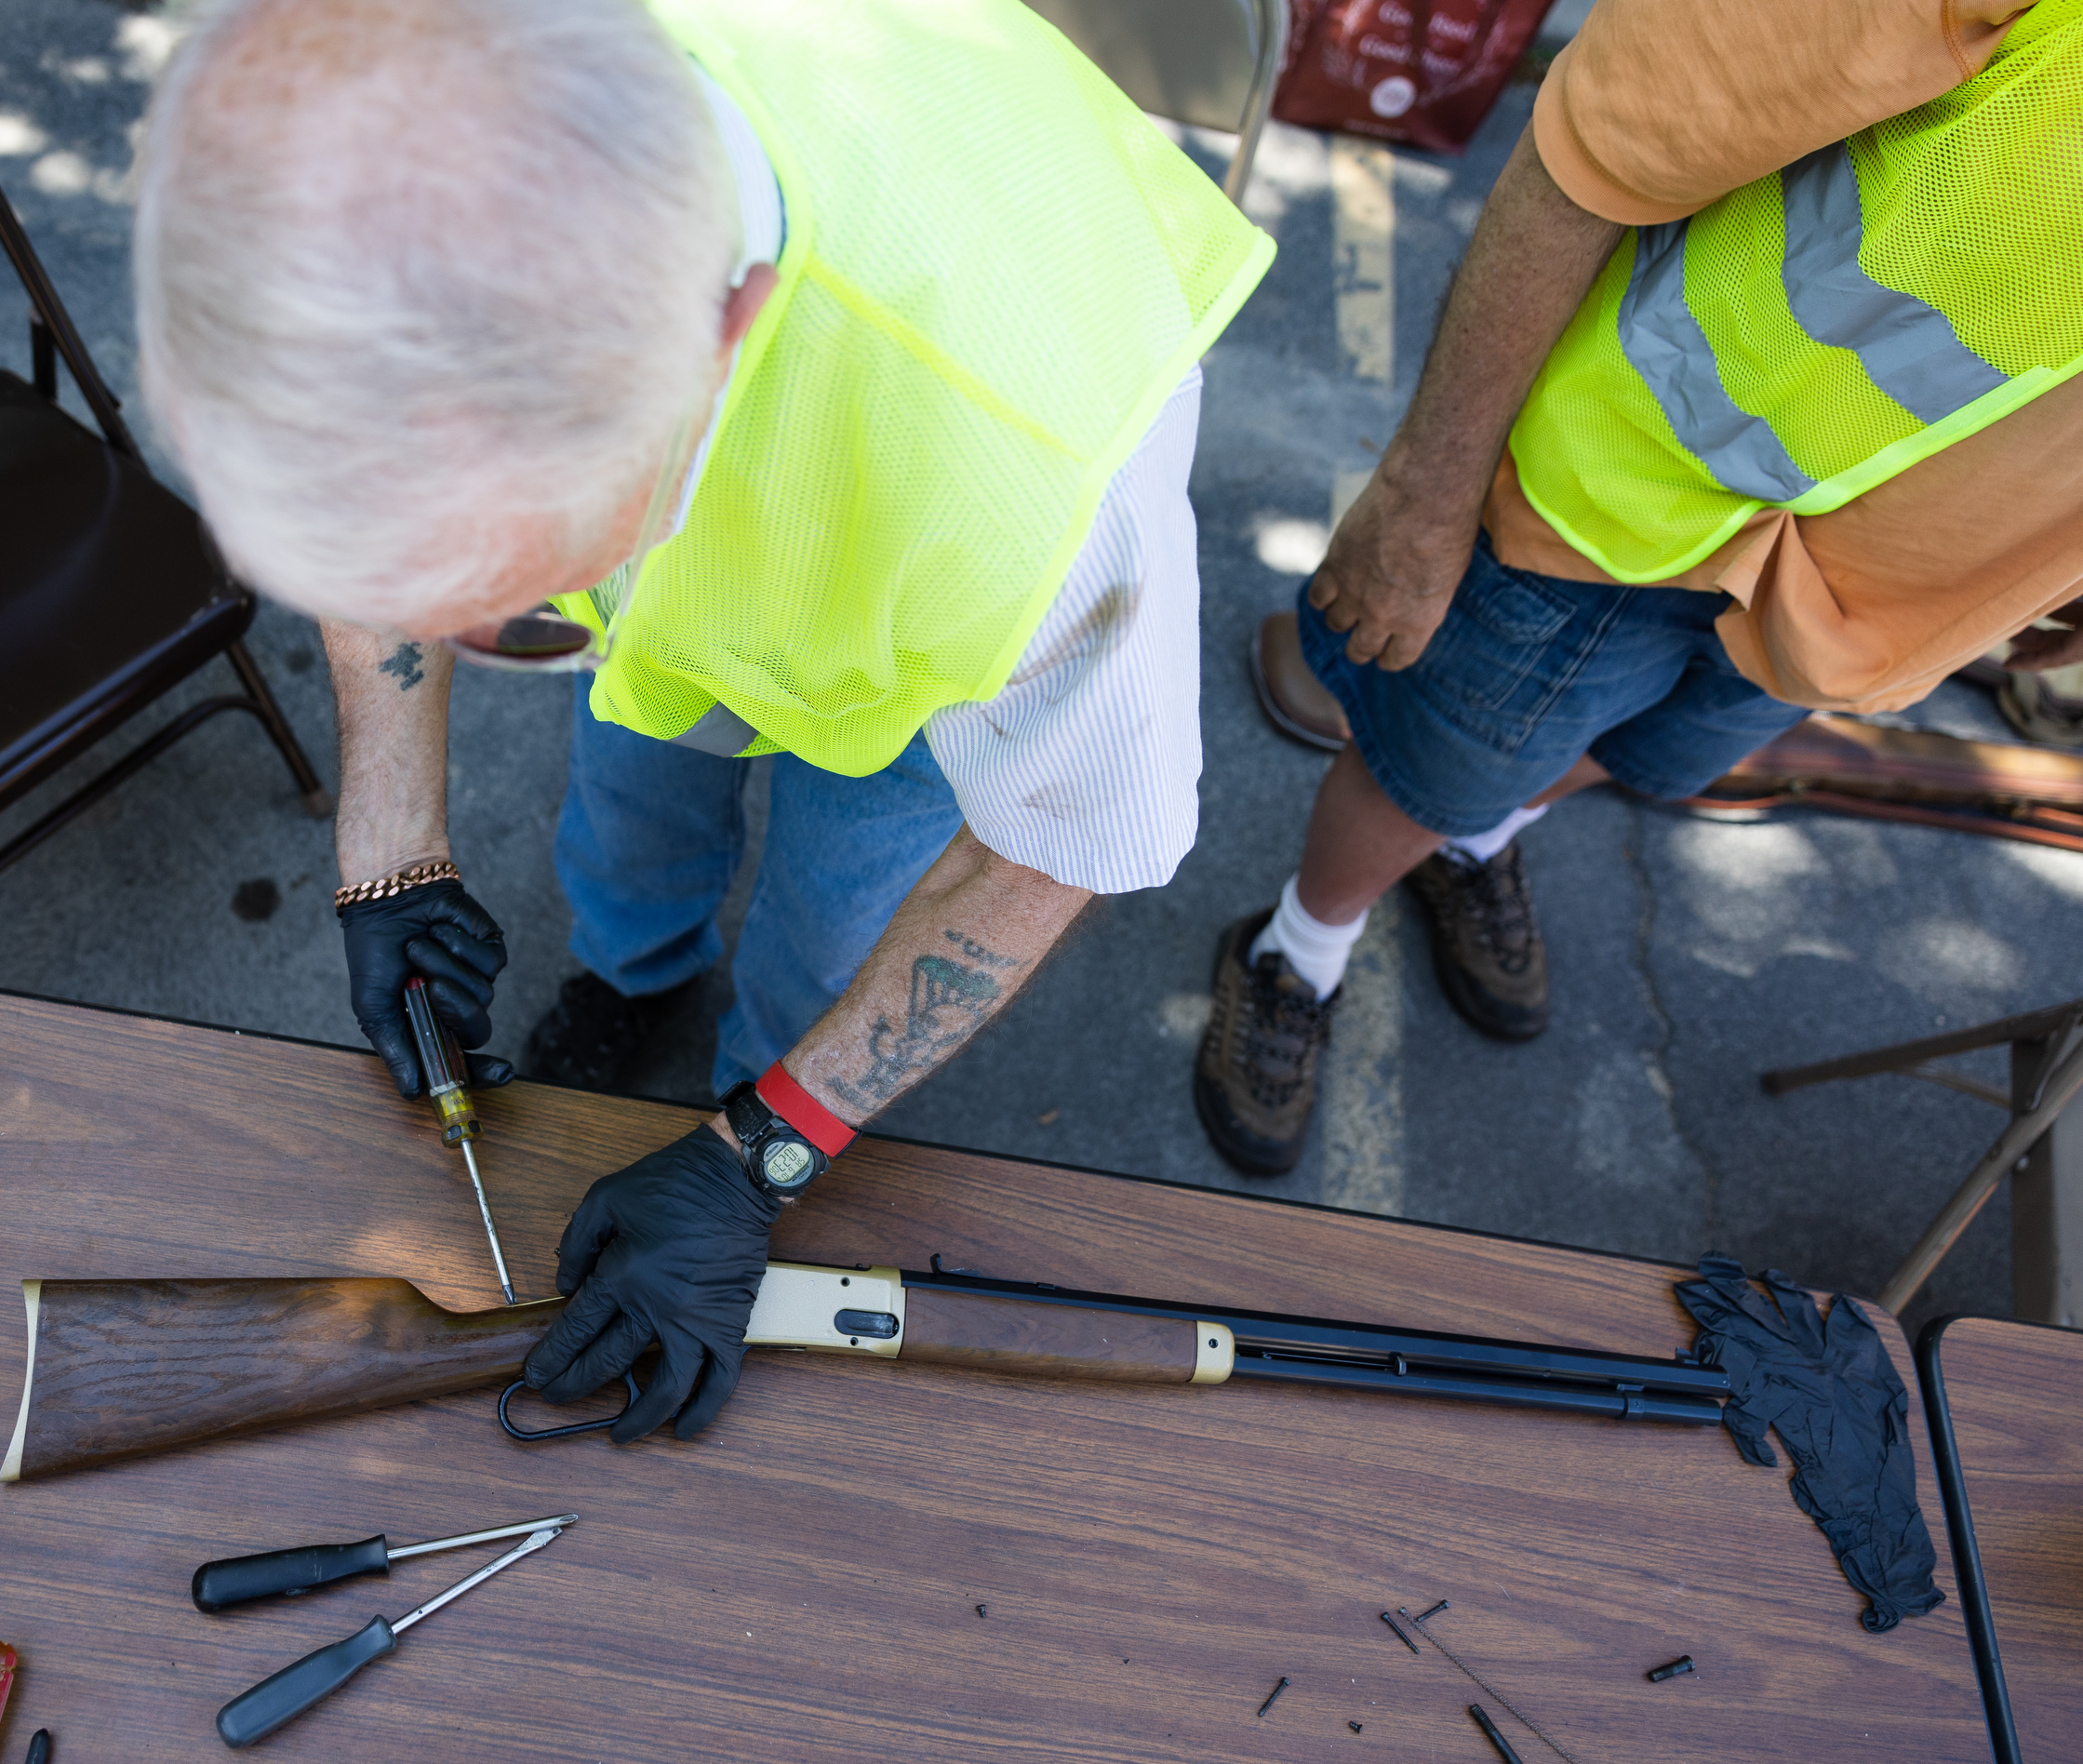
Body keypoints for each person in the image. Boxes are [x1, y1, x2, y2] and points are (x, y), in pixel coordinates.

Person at [135, 0, 1269, 1439]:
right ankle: (632, 974)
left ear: (725, 340)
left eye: (527, 610)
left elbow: (1055, 845)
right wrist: (390, 844)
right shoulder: (374, 117)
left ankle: (746, 1084)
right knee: (627, 806)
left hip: (919, 624)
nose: (486, 645)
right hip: (721, 556)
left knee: (833, 921)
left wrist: (765, 1156)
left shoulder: (1033, 489)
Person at [1198, 0, 2083, 1177]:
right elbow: (1606, 136)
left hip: (1859, 612)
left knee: (1641, 752)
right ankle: (1297, 948)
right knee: (1432, 770)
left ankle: (1474, 842)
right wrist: (1426, 489)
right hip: (1630, 498)